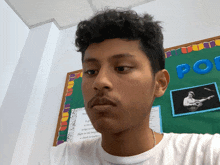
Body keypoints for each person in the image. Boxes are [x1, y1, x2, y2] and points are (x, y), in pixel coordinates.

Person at [40, 8, 220, 165]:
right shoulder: (58, 159)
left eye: (121, 68)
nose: (100, 82)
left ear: (159, 83)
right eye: (91, 71)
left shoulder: (206, 154)